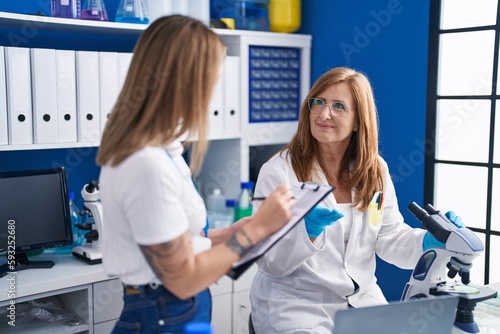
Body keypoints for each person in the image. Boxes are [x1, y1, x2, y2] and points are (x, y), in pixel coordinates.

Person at [95, 15, 295, 334]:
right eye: (211, 81)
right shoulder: (144, 163)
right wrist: (257, 228)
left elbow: (178, 240)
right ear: (186, 83)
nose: (211, 94)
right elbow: (183, 278)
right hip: (163, 312)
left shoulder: (163, 150)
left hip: (173, 309)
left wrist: (226, 234)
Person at [249, 67, 462, 333]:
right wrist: (307, 233)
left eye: (339, 106)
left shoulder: (374, 169)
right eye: (319, 102)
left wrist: (427, 242)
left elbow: (389, 237)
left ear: (359, 120)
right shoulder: (279, 171)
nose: (324, 114)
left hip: (362, 301)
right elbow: (269, 261)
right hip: (296, 305)